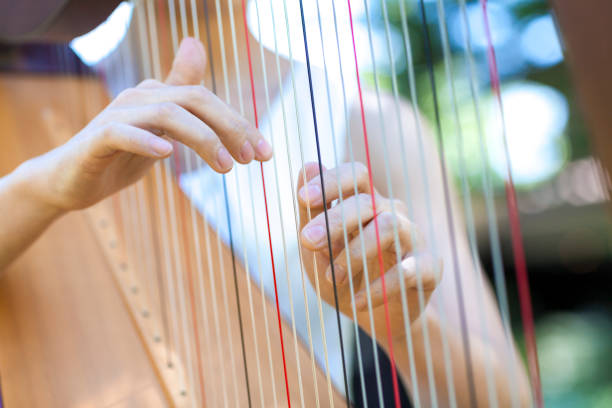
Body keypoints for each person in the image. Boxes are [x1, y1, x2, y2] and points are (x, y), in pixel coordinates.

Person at [0, 4, 531, 404]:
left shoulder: (368, 122)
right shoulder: (27, 105)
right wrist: (42, 189)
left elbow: (508, 397)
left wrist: (403, 330)